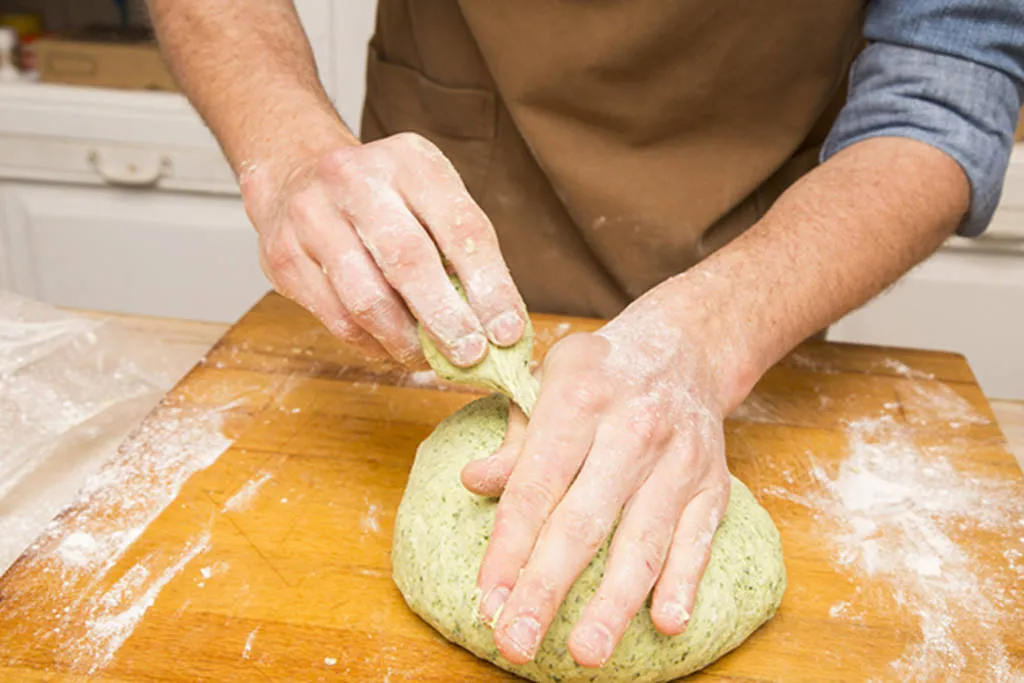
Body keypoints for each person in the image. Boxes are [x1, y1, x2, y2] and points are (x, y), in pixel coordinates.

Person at [148, 0, 1024, 668]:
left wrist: (716, 330)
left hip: (751, 237)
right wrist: (290, 143)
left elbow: (948, 77)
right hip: (456, 179)